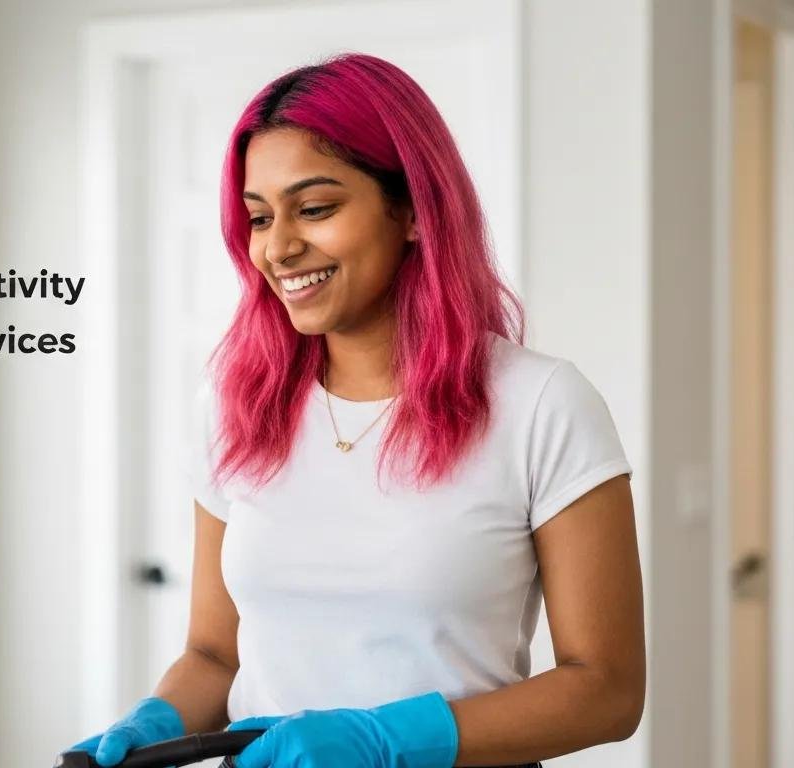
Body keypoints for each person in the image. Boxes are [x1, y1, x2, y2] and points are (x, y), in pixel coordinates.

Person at [67, 53, 644, 768]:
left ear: (410, 209)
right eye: (258, 217)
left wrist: (387, 741)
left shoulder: (541, 405)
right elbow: (216, 652)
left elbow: (608, 690)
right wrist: (156, 722)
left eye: (314, 208)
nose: (278, 247)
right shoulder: (231, 406)